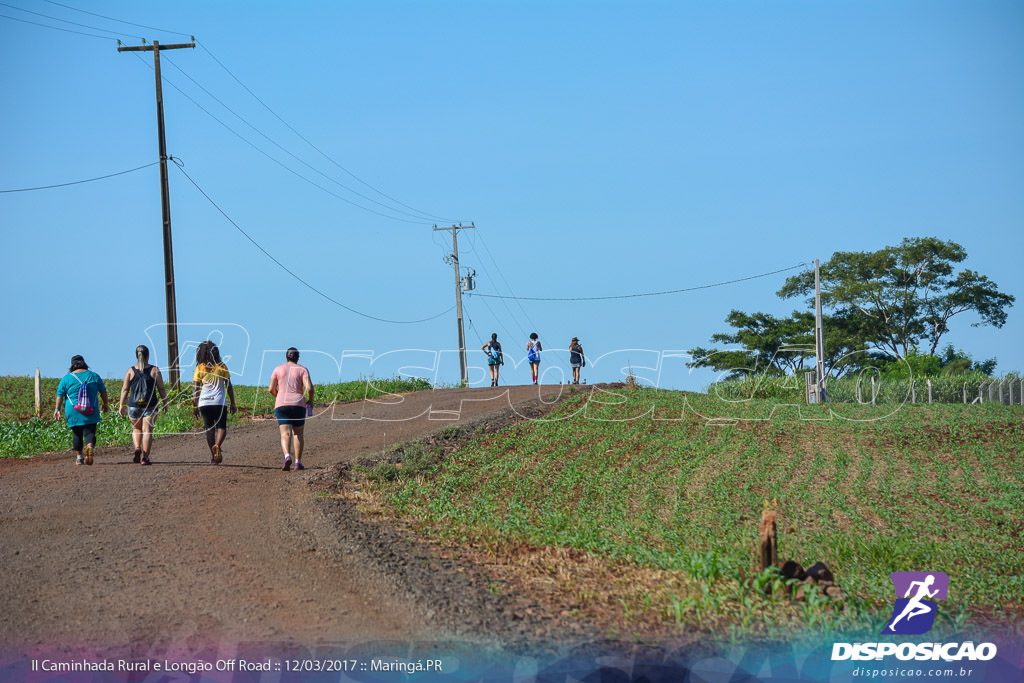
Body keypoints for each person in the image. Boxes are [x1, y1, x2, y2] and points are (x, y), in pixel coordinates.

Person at [53, 355, 109, 466]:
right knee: (90, 431)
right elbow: (103, 391)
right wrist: (105, 404)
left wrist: (57, 409)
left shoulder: (66, 378)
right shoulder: (94, 376)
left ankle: (79, 458)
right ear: (84, 363)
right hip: (90, 408)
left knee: (77, 433)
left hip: (73, 410)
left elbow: (60, 395)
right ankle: (89, 447)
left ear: (72, 365)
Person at [118, 345, 168, 465]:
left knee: (136, 428)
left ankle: (137, 448)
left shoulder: (130, 371)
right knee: (147, 431)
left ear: (136, 355)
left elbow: (125, 389)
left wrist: (121, 405)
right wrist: (165, 403)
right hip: (150, 405)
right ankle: (145, 458)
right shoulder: (154, 370)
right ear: (148, 355)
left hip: (133, 405)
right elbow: (161, 388)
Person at [269, 347, 315, 472]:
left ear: (286, 357)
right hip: (298, 404)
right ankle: (298, 462)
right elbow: (309, 388)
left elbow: (270, 389)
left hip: (282, 404)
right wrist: (310, 401)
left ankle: (287, 456)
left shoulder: (278, 369)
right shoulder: (302, 369)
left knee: (285, 433)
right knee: (298, 434)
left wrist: (278, 395)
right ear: (297, 358)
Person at [192, 340, 236, 465]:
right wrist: (233, 403)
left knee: (209, 430)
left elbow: (196, 389)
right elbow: (229, 386)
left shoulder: (199, 367)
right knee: (221, 427)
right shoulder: (222, 366)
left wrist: (195, 406)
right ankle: (217, 445)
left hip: (204, 403)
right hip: (219, 402)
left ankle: (213, 457)